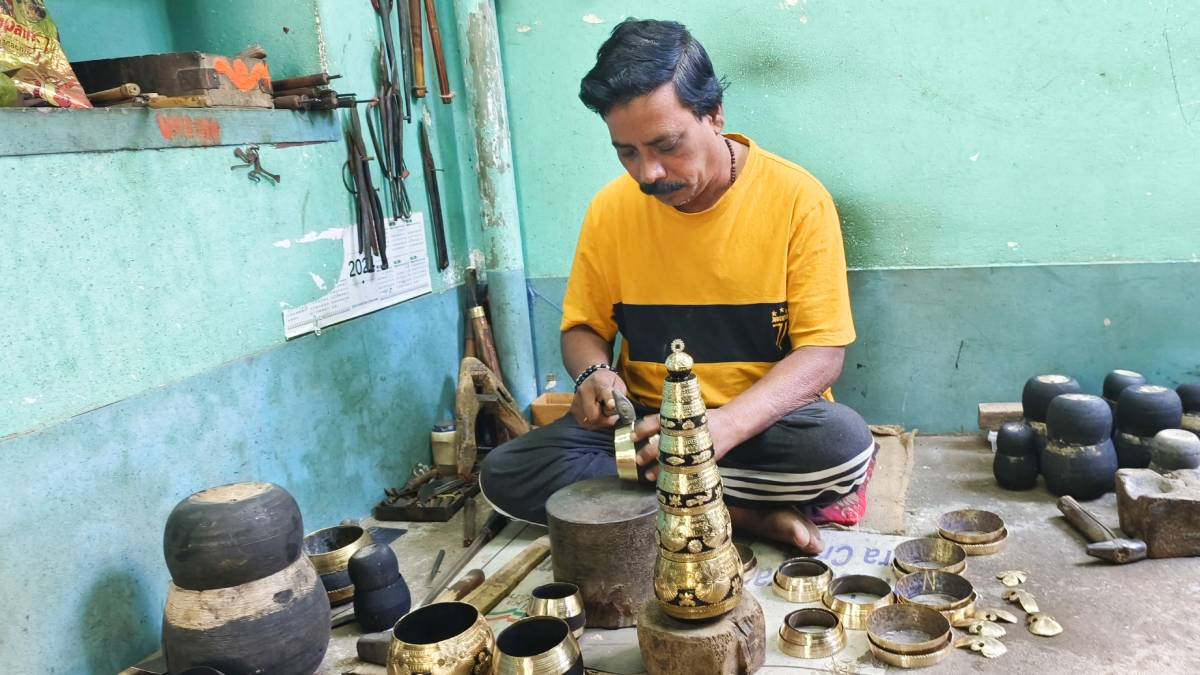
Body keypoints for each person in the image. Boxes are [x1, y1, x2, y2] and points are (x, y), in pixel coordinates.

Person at [480, 18, 874, 554]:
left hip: (757, 428)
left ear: (714, 114)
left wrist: (726, 425)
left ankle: (664, 502)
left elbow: (823, 354)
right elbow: (582, 330)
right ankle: (742, 515)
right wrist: (594, 373)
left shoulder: (797, 200)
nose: (649, 173)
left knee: (843, 446)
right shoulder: (611, 211)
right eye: (627, 152)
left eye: (666, 145)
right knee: (506, 471)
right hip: (648, 429)